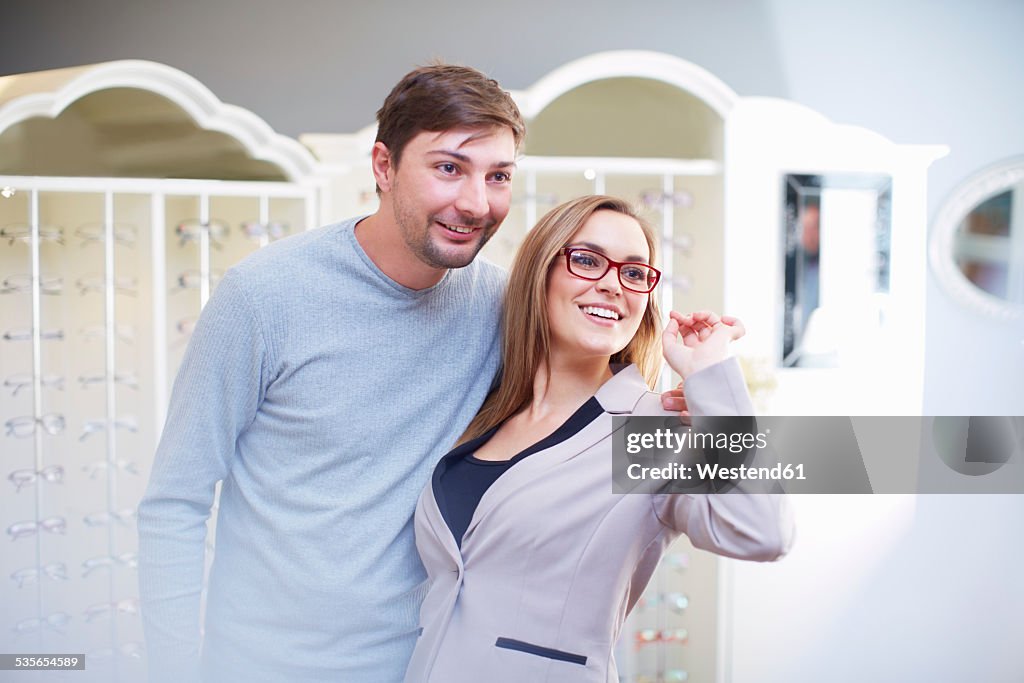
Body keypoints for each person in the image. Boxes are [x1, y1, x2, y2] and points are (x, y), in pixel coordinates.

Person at [137, 64, 528, 683]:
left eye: (498, 176)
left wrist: (711, 383)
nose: (476, 203)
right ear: (383, 167)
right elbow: (174, 503)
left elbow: (623, 438)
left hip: (430, 663)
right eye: (449, 167)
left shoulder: (503, 308)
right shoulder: (262, 296)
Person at [404, 195, 794, 683]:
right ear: (538, 275)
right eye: (587, 260)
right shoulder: (480, 412)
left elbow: (764, 532)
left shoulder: (644, 433)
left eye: (634, 273)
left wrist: (711, 378)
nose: (612, 284)